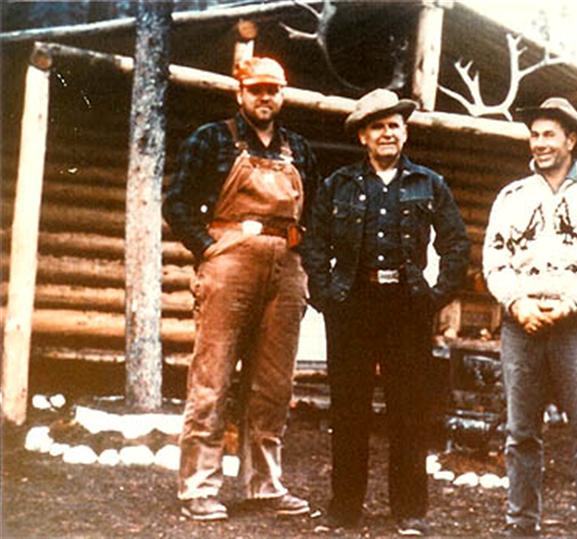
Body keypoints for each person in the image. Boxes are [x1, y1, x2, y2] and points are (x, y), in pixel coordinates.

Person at [303, 89, 470, 536]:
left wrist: (435, 296)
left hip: (407, 309)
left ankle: (409, 510)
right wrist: (325, 294)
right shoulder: (338, 185)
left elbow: (456, 243)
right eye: (377, 127)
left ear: (405, 132)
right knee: (348, 410)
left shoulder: (429, 184)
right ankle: (344, 508)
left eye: (394, 125)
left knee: (409, 410)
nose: (387, 134)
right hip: (351, 307)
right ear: (363, 136)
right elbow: (314, 243)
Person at [163, 56, 319, 521]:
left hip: (286, 265)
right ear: (241, 93)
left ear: (283, 94)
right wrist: (209, 248)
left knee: (273, 384)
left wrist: (305, 263)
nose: (265, 97)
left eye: (273, 89)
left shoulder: (298, 148)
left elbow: (312, 213)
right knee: (212, 378)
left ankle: (264, 485)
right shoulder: (211, 139)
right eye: (256, 90)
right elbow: (177, 202)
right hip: (230, 263)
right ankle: (198, 486)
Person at [482, 97, 577, 539]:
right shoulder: (512, 197)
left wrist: (569, 304)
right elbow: (494, 261)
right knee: (521, 432)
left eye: (549, 135)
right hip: (522, 325)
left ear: (571, 139)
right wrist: (517, 304)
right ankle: (521, 524)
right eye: (534, 135)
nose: (540, 143)